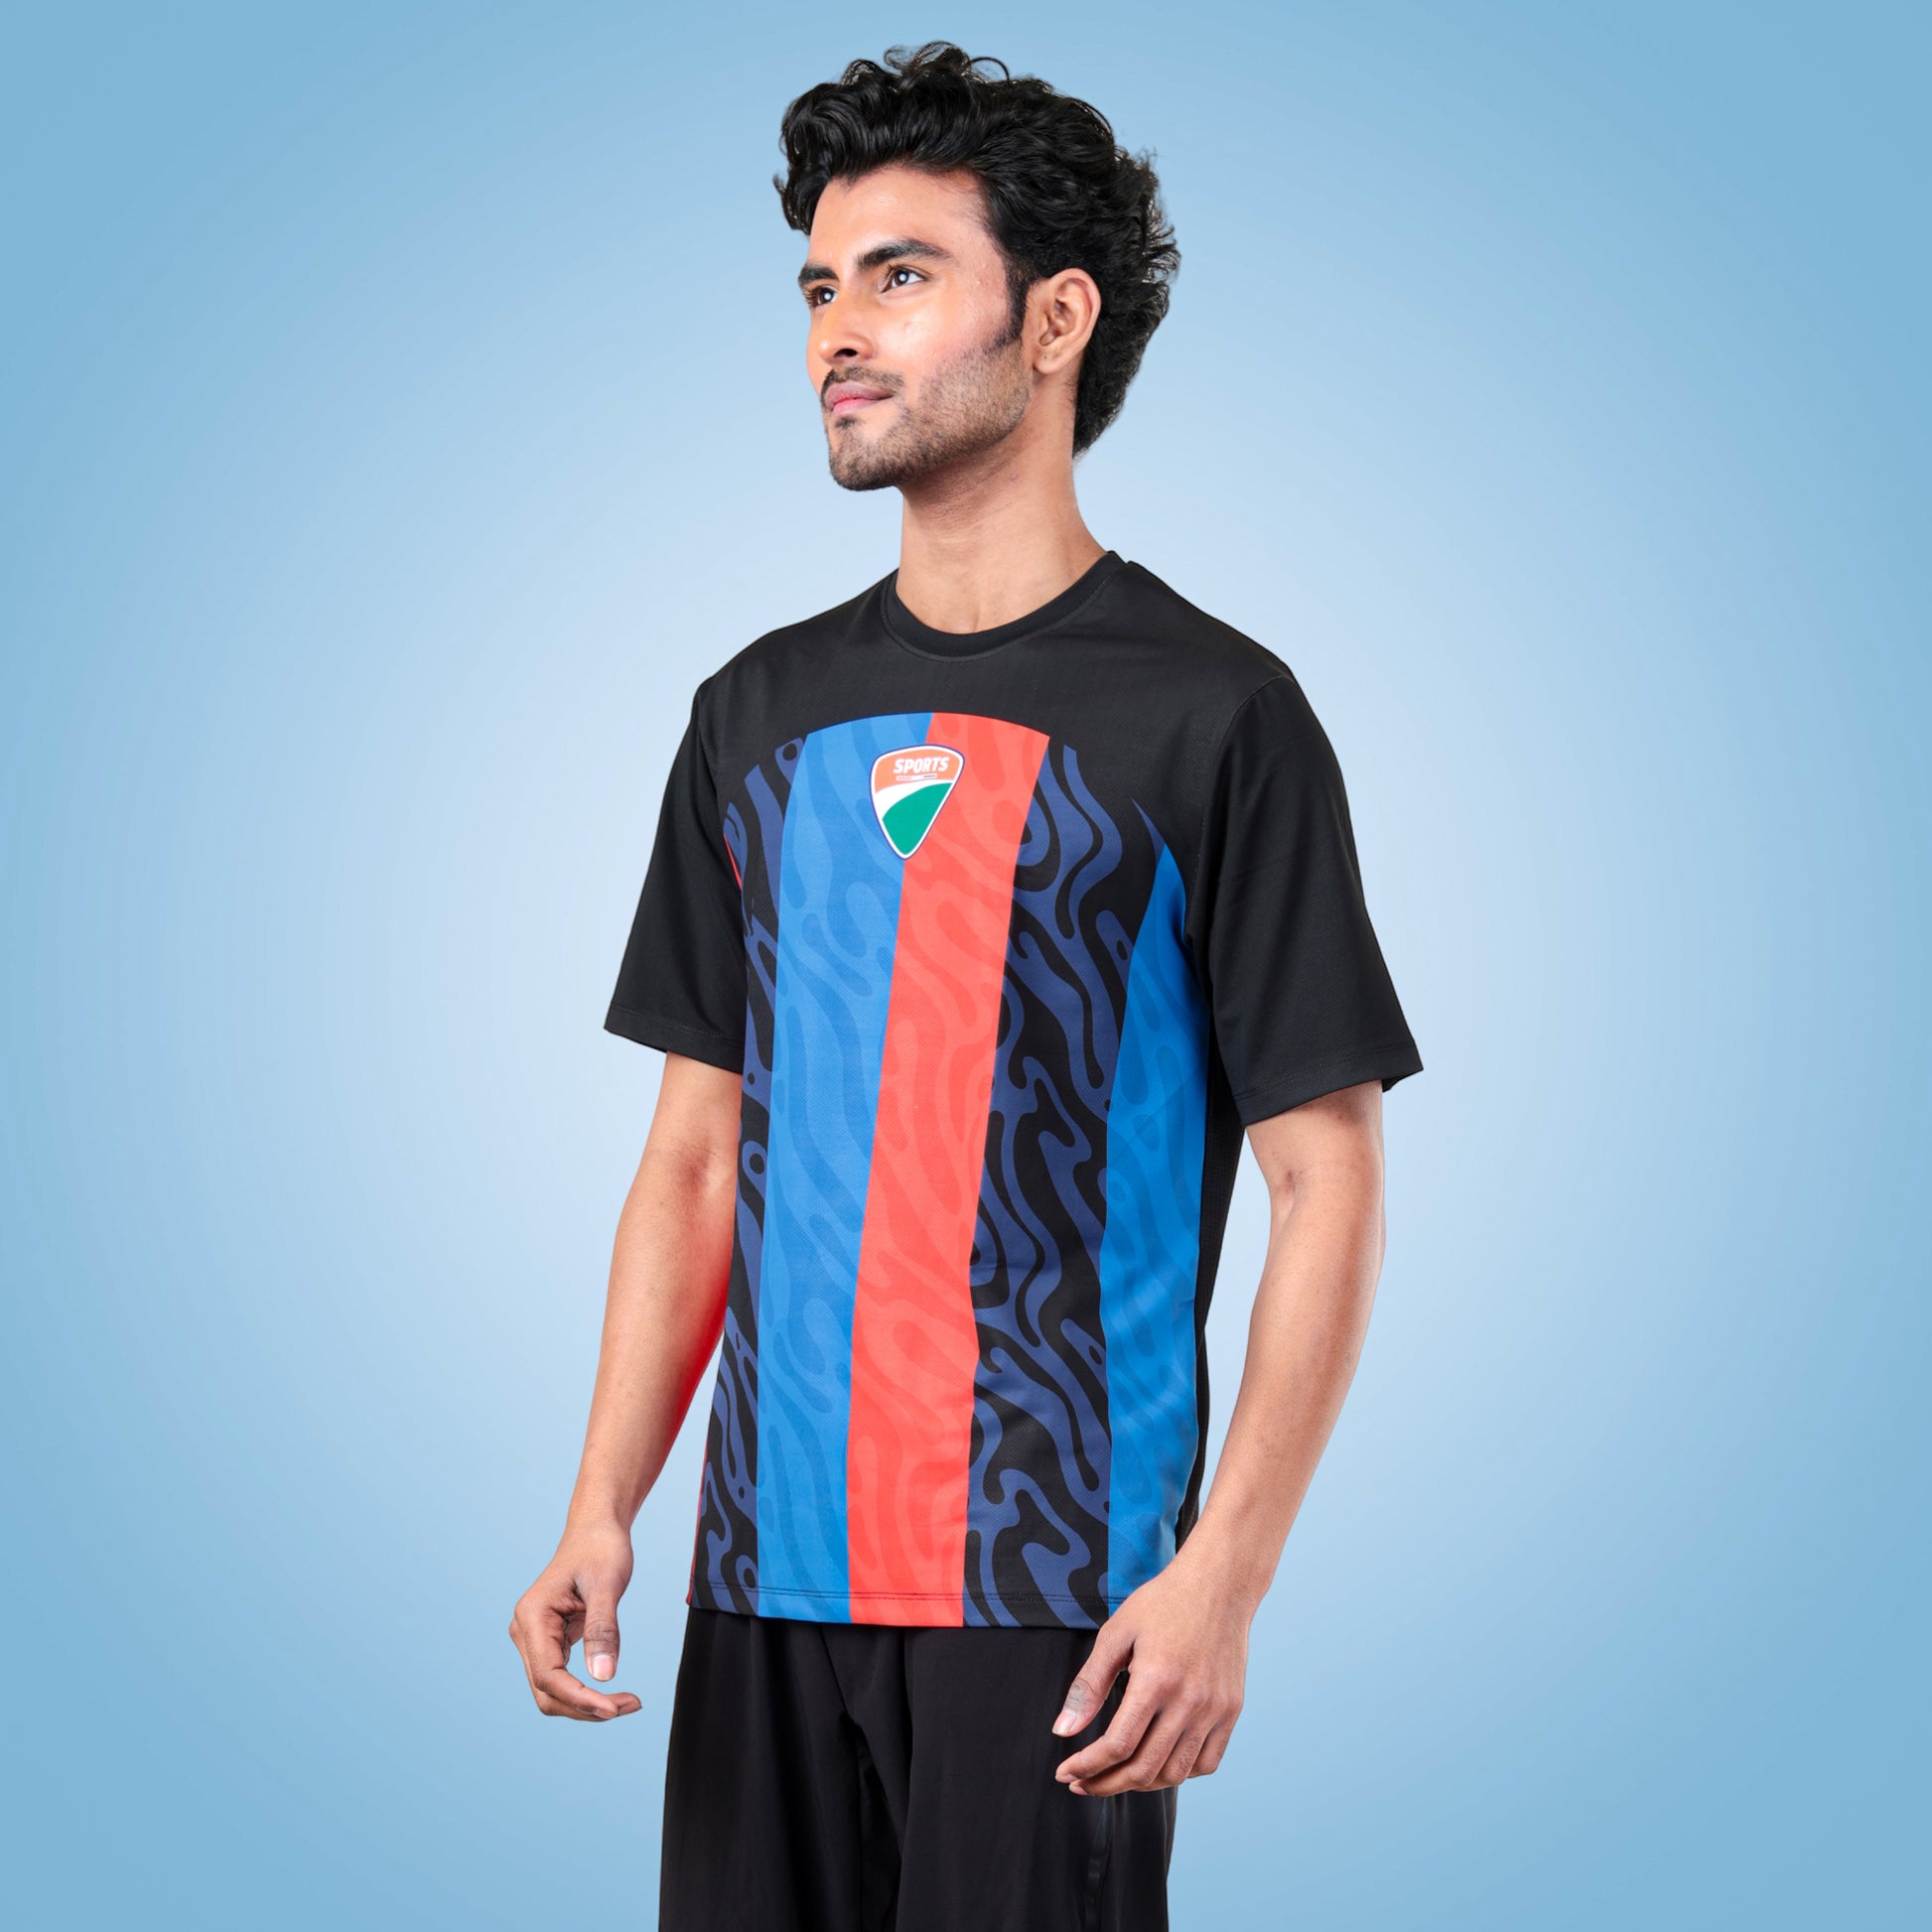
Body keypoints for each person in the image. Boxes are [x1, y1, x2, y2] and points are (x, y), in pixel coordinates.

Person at [508, 42, 1422, 1932]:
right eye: (819, 288)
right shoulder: (752, 713)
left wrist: (1224, 1574)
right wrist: (603, 1500)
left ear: (1054, 320)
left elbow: (1323, 1176)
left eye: (902, 275)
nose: (837, 333)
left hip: (1058, 1590)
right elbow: (692, 1157)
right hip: (760, 1571)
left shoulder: (1218, 715)